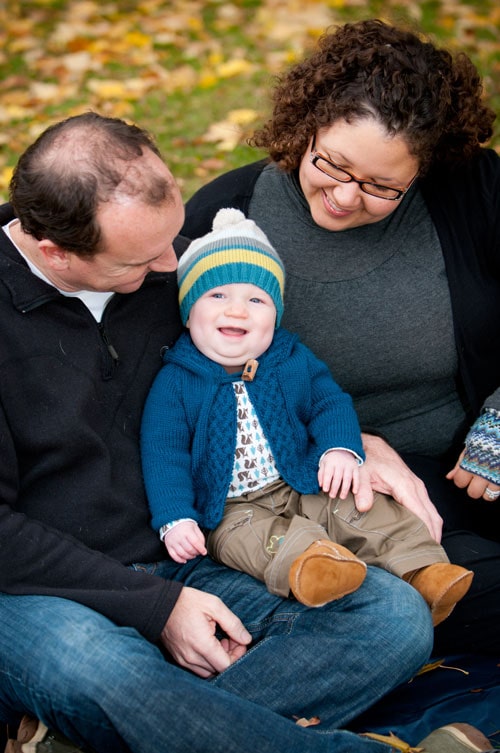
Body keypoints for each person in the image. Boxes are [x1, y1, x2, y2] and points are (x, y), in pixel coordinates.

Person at [0, 110, 471, 753]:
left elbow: (257, 377)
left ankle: (89, 738)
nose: (173, 263)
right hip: (39, 590)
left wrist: (356, 438)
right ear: (56, 252)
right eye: (144, 259)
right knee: (105, 668)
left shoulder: (163, 266)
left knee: (391, 617)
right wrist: (154, 610)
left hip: (194, 549)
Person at [182, 18, 500, 657]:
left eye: (383, 187)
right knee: (468, 591)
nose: (345, 198)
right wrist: (349, 439)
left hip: (478, 457)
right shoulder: (228, 221)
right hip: (334, 493)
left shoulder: (473, 190)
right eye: (332, 164)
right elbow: (192, 388)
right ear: (308, 123)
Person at [141, 206, 472, 626]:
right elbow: (162, 454)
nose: (238, 310)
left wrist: (340, 449)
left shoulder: (291, 358)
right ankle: (317, 567)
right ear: (189, 313)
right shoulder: (177, 381)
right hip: (230, 507)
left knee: (359, 507)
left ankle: (424, 570)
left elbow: (328, 403)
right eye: (217, 295)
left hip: (302, 477)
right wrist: (175, 518)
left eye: (256, 299)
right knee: (254, 541)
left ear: (275, 317)